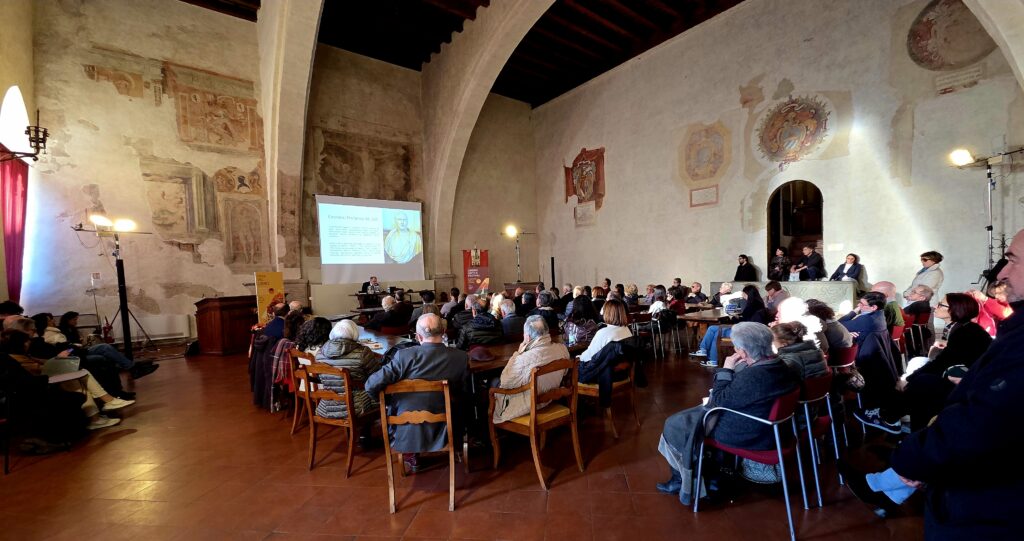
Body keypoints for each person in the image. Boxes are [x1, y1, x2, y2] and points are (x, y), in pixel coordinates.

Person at [843, 229, 1024, 537]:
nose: (1002, 272)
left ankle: (891, 432)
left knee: (923, 383)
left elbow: (984, 422)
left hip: (985, 510)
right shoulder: (989, 331)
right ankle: (892, 475)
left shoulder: (986, 335)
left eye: (1013, 260)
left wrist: (913, 459)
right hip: (978, 491)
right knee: (922, 380)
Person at [656, 323, 799, 505]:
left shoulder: (755, 376)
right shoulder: (781, 365)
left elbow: (719, 399)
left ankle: (684, 481)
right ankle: (709, 476)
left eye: (736, 347)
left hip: (748, 433)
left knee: (675, 425)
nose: (734, 350)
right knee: (686, 420)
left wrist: (727, 368)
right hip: (770, 428)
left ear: (743, 352)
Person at [365, 314, 470, 468]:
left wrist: (387, 403)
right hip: (445, 428)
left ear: (418, 336)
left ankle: (411, 454)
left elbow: (371, 385)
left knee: (401, 405)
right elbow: (464, 393)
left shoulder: (403, 356)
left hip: (405, 429)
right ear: (443, 332)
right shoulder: (461, 357)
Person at [892, 293, 991, 432]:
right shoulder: (964, 328)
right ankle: (903, 423)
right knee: (920, 380)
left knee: (922, 383)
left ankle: (892, 418)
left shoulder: (965, 332)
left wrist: (908, 379)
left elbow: (941, 363)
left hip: (970, 385)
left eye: (940, 305)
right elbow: (948, 358)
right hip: (965, 377)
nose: (935, 307)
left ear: (955, 310)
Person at [2, 329, 133, 430]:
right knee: (78, 375)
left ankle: (97, 415)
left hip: (41, 383)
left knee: (78, 375)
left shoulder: (22, 356)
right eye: (27, 341)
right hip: (37, 388)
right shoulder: (16, 359)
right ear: (20, 343)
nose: (29, 342)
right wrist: (57, 360)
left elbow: (42, 364)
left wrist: (57, 360)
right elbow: (38, 371)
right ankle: (105, 404)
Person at [840, 292, 902, 433]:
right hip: (877, 360)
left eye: (862, 304)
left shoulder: (866, 320)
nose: (859, 306)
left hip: (866, 361)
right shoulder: (880, 315)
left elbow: (838, 324)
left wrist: (853, 312)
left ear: (873, 307)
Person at [491, 316, 571, 423]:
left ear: (527, 338)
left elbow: (505, 382)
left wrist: (517, 354)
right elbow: (565, 372)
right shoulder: (562, 349)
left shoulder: (523, 359)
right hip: (549, 400)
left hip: (529, 406)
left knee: (494, 383)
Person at [313, 320, 383, 422]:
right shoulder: (363, 352)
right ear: (354, 333)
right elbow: (377, 376)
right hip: (358, 405)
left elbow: (320, 379)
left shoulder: (320, 354)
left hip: (326, 407)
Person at [692, 285, 767, 367]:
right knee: (712, 328)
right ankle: (703, 349)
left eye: (744, 294)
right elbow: (747, 319)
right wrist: (736, 317)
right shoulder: (756, 304)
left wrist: (735, 318)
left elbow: (748, 321)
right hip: (745, 328)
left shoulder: (751, 306)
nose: (742, 296)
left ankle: (713, 360)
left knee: (718, 333)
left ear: (748, 294)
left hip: (745, 332)